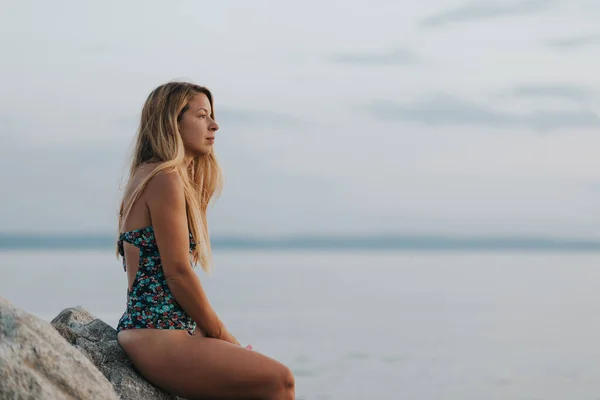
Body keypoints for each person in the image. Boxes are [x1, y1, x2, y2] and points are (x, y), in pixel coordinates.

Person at [115, 81, 295, 399]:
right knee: (280, 381)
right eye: (202, 116)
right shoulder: (165, 179)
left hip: (154, 330)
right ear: (172, 122)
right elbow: (178, 273)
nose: (214, 125)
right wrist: (222, 334)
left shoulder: (146, 174)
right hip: (158, 336)